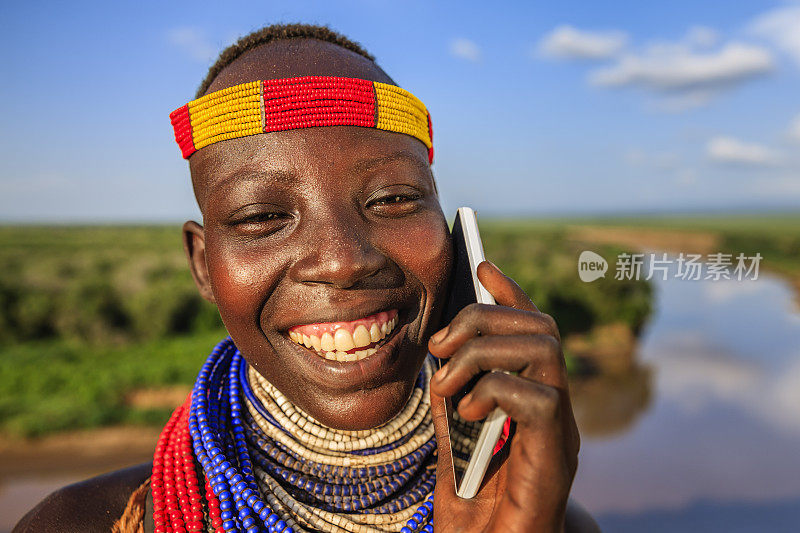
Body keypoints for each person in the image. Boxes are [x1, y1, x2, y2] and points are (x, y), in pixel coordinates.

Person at [14, 24, 599, 533]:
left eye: (393, 199)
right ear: (203, 264)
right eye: (262, 217)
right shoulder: (83, 523)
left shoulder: (544, 522)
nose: (342, 261)